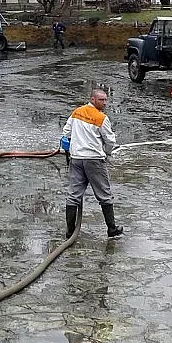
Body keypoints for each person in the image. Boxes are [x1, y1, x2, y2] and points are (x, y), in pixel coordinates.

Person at [62, 89, 122, 239]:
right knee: (104, 195)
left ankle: (70, 232)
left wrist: (72, 144)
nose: (105, 103)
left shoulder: (77, 112)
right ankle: (112, 228)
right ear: (93, 99)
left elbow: (66, 132)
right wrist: (107, 153)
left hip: (76, 159)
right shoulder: (101, 118)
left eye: (106, 100)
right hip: (94, 160)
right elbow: (110, 141)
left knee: (73, 195)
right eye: (102, 100)